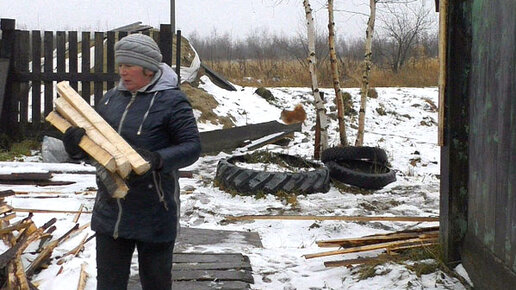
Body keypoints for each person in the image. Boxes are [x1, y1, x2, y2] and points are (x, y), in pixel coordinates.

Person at [62, 33, 201, 290]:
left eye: (129, 66)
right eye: (120, 66)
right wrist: (76, 148)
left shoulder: (172, 101)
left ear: (148, 69)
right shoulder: (111, 99)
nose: (123, 72)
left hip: (155, 210)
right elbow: (96, 148)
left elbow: (192, 148)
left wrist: (157, 159)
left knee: (156, 283)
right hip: (111, 209)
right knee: (109, 284)